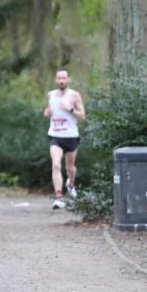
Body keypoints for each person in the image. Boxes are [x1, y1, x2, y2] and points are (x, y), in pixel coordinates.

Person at [43, 68, 85, 209]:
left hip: (71, 136)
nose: (61, 81)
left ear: (68, 80)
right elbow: (49, 110)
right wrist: (47, 112)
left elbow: (82, 116)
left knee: (70, 168)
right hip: (55, 135)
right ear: (56, 80)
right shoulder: (51, 95)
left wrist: (70, 109)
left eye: (64, 78)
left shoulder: (74, 96)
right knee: (56, 165)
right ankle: (59, 196)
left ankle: (70, 184)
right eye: (59, 78)